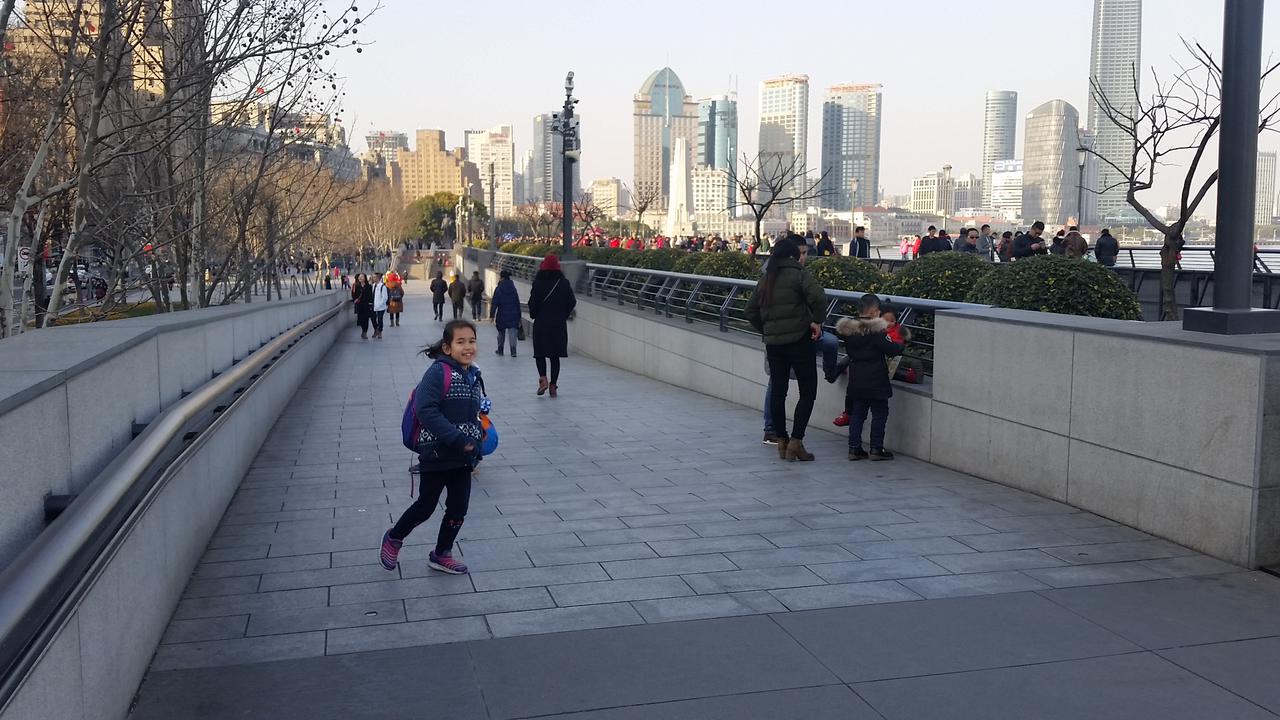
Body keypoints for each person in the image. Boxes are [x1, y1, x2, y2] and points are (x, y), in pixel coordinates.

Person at [379, 320, 485, 576]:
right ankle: (394, 537)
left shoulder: (473, 374)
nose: (468, 346)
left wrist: (477, 443)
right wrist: (457, 438)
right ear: (447, 348)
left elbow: (472, 416)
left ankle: (442, 553)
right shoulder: (439, 372)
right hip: (437, 453)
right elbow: (425, 410)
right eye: (461, 342)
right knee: (426, 506)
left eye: (471, 341)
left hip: (462, 457)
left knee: (459, 507)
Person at [746, 237, 826, 462]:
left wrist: (767, 329)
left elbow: (750, 311)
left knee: (778, 392)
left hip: (774, 345)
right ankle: (796, 441)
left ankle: (781, 440)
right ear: (793, 255)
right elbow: (818, 297)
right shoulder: (799, 275)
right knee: (807, 391)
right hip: (800, 340)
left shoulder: (766, 278)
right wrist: (816, 321)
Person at [837, 294, 904, 461]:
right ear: (874, 312)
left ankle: (854, 448)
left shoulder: (849, 329)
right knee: (880, 412)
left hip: (856, 377)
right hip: (876, 378)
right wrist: (901, 343)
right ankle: (876, 448)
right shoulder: (876, 331)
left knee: (858, 413)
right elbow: (893, 350)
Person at [528, 254, 577, 398]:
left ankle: (543, 379)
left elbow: (533, 303)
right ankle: (553, 385)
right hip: (558, 324)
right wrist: (563, 313)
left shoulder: (538, 282)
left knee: (540, 354)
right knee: (555, 356)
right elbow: (572, 301)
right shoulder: (563, 283)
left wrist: (534, 313)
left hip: (542, 323)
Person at [490, 269, 522, 357]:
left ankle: (500, 349)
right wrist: (519, 316)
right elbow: (517, 303)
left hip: (502, 314)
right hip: (514, 314)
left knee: (501, 332)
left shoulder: (498, 289)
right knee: (512, 332)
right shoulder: (514, 289)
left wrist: (492, 315)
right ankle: (513, 351)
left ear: (502, 278)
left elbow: (494, 302)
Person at [352, 273, 373, 339]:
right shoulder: (356, 286)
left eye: (362, 277)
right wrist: (355, 300)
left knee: (366, 319)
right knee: (360, 320)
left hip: (366, 305)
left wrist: (370, 303)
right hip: (359, 305)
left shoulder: (369, 286)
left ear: (365, 278)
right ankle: (363, 330)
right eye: (359, 277)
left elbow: (370, 296)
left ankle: (365, 332)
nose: (360, 278)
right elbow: (353, 294)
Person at [371, 272, 389, 339]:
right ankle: (376, 329)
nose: (373, 278)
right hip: (373, 306)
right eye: (373, 277)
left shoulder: (382, 286)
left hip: (381, 307)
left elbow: (385, 297)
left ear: (378, 278)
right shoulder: (373, 286)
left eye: (374, 277)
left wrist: (379, 305)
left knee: (380, 319)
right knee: (373, 319)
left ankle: (380, 331)